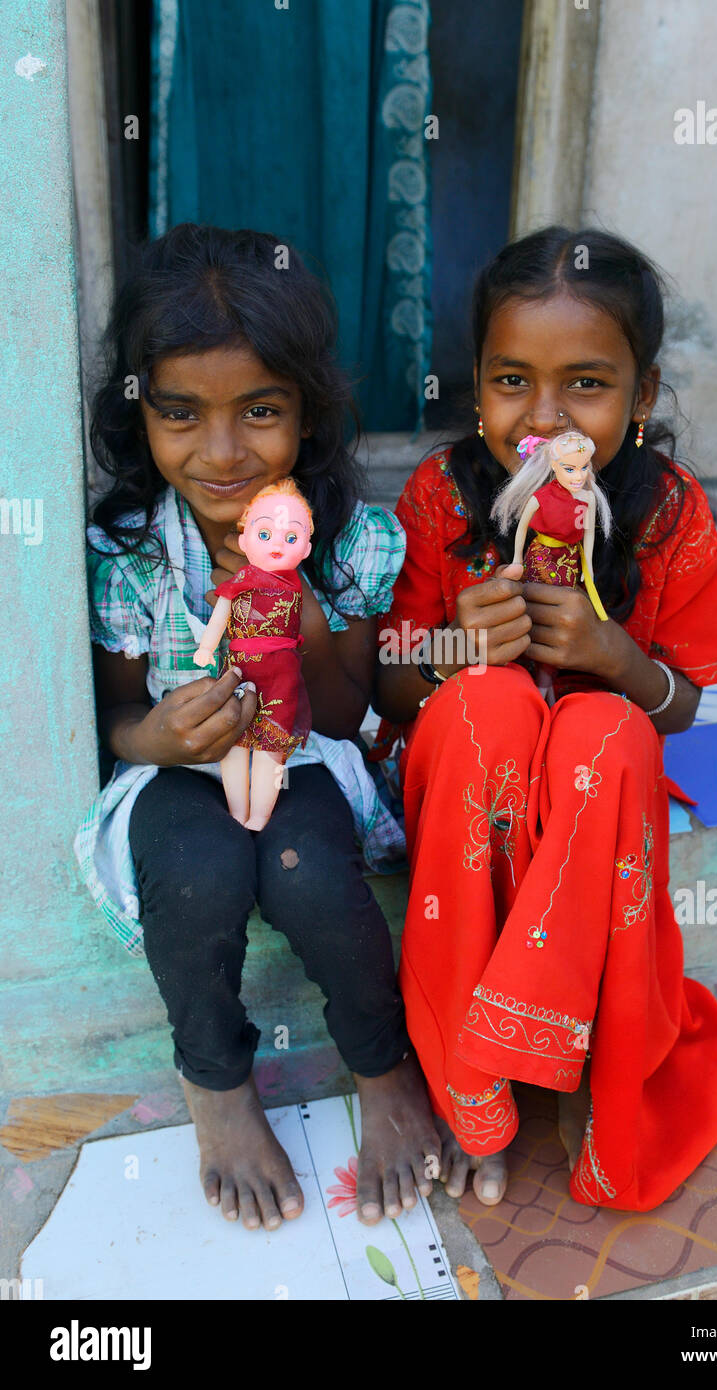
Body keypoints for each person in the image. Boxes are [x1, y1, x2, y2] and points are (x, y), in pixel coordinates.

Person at [75, 224, 439, 1232]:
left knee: (309, 872)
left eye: (261, 411)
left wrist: (309, 629)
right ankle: (216, 1080)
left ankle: (382, 1063)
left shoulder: (348, 541)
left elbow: (345, 715)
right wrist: (157, 739)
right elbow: (113, 715)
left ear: (307, 414)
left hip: (303, 753)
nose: (223, 452)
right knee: (195, 871)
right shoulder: (129, 553)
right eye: (182, 414)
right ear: (138, 409)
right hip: (177, 774)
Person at [372, 227, 717, 1213]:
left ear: (641, 394)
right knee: (488, 701)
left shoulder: (667, 514)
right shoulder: (440, 495)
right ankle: (470, 1086)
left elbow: (683, 706)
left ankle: (585, 1071)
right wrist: (452, 643)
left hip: (592, 790)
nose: (543, 417)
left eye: (583, 384)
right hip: (469, 773)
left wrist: (615, 660)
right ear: (476, 384)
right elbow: (386, 687)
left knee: (606, 729)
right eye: (509, 381)